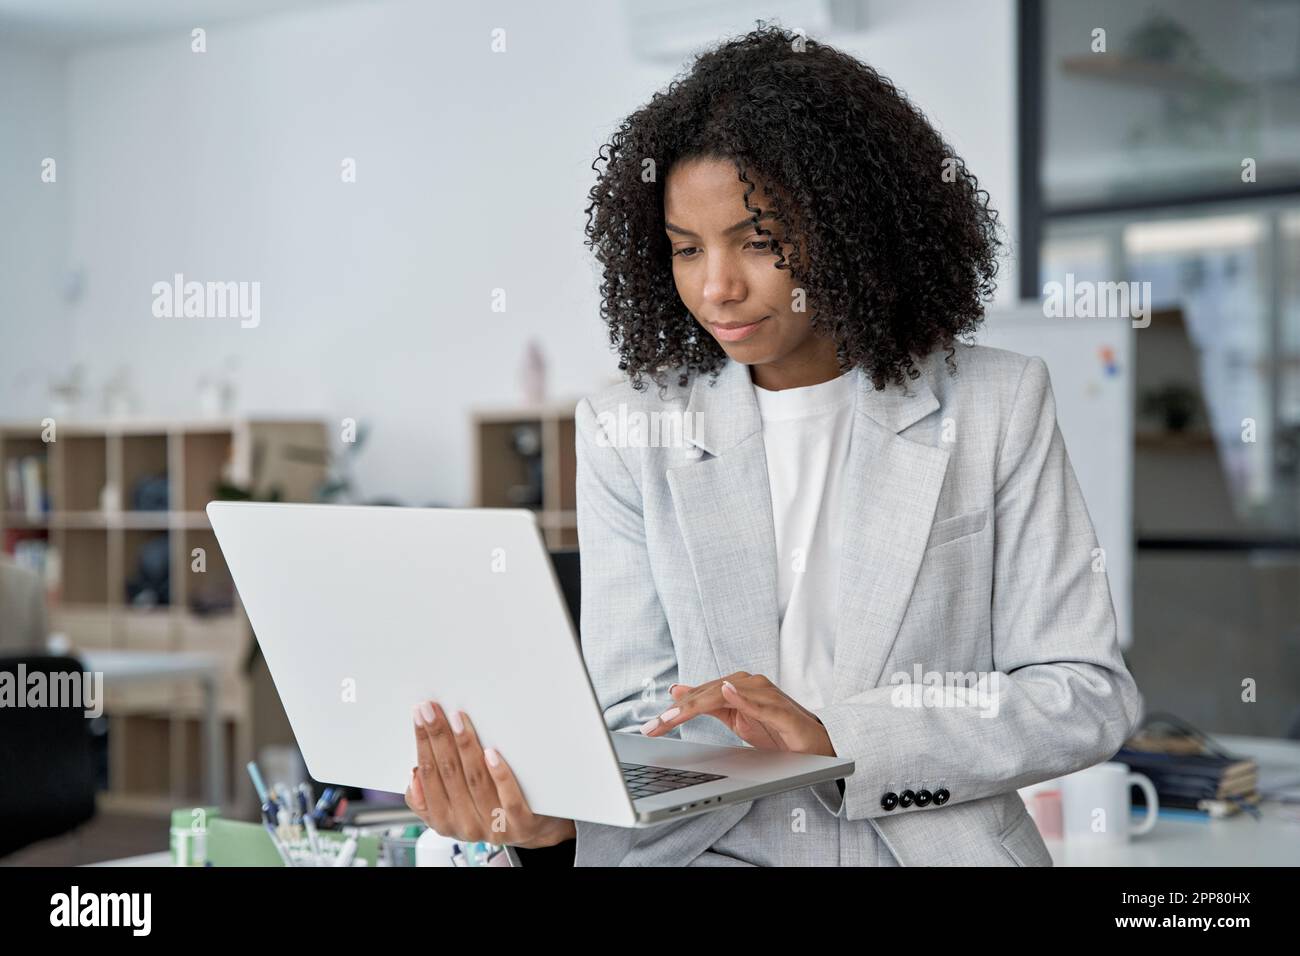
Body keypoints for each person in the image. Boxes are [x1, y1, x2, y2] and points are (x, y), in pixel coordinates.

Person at [403, 22, 1142, 866]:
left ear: (850, 228)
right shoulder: (628, 429)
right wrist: (550, 826)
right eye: (685, 249)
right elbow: (635, 714)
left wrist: (838, 736)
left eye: (758, 242)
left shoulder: (996, 402)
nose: (716, 286)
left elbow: (1084, 693)